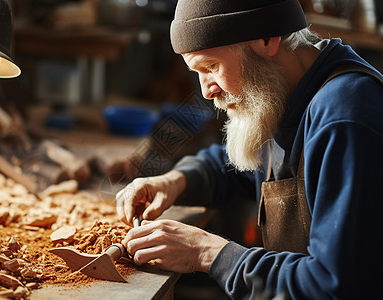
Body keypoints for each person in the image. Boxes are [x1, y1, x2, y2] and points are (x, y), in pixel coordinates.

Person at [115, 0, 383, 298]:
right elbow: (248, 167)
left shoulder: (345, 116)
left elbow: (335, 286)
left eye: (212, 66)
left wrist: (208, 252)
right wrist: (176, 181)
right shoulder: (287, 88)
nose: (206, 91)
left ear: (266, 39)